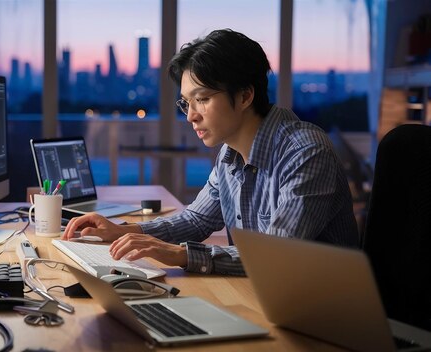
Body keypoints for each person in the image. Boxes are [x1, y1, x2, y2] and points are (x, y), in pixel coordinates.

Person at [63, 29, 359, 276]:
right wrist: (124, 231)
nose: (190, 116)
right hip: (264, 297)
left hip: (323, 317)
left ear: (244, 96)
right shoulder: (230, 155)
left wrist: (182, 255)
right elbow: (196, 221)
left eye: (202, 99)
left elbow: (275, 256)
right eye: (185, 103)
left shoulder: (305, 153)